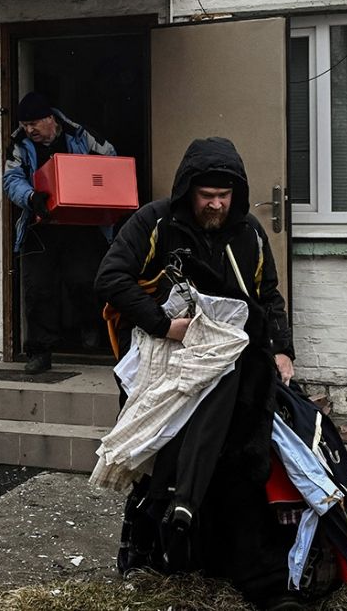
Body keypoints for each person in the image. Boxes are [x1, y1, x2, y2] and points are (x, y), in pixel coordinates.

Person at [95, 136, 300, 610]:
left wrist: (282, 350)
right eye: (207, 195)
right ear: (189, 190)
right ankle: (140, 552)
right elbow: (111, 278)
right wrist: (164, 324)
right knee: (154, 455)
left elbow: (267, 295)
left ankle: (214, 554)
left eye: (224, 196)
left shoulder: (249, 233)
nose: (216, 204)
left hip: (230, 369)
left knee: (234, 459)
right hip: (159, 366)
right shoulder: (155, 223)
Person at [3, 90, 116, 373]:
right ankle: (40, 352)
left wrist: (90, 185)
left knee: (84, 281)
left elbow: (112, 161)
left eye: (34, 124)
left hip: (80, 225)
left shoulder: (82, 135)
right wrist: (31, 197)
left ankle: (90, 325)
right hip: (39, 226)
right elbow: (12, 179)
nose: (29, 130)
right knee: (38, 289)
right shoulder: (19, 144)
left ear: (50, 119)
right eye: (25, 125)